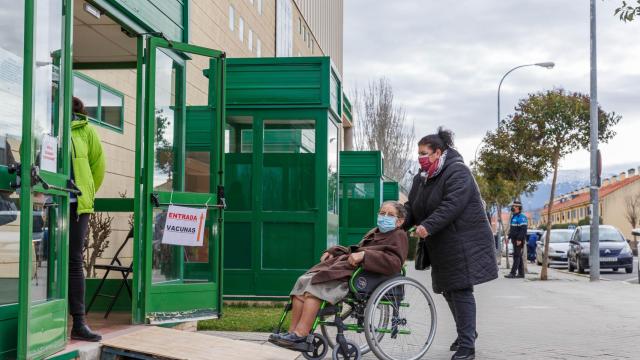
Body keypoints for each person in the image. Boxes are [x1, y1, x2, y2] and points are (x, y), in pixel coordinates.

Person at [404, 127, 497, 360]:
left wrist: (427, 226)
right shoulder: (422, 178)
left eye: (424, 153)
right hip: (441, 245)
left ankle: (468, 346)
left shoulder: (458, 172)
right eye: (419, 154)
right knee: (448, 290)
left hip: (462, 243)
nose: (420, 158)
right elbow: (413, 208)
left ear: (438, 152)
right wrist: (397, 221)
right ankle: (468, 333)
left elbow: (451, 205)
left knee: (461, 290)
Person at [269, 201, 409, 351]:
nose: (384, 217)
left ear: (399, 221)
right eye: (382, 213)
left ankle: (301, 335)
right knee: (302, 283)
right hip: (349, 270)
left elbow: (394, 263)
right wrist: (334, 251)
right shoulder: (375, 232)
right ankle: (292, 334)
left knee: (314, 290)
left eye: (390, 215)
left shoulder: (399, 236)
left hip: (363, 278)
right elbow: (355, 250)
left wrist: (365, 255)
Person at [69, 97, 105, 341]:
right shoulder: (42, 128)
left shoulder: (86, 131)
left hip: (77, 206)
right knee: (44, 263)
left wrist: (86, 194)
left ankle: (79, 323)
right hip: (48, 203)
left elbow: (98, 168)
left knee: (74, 261)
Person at [505, 201, 528, 278]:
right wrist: (508, 237)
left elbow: (523, 230)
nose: (512, 207)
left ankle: (513, 273)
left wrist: (519, 239)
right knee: (519, 256)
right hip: (514, 240)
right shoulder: (514, 217)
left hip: (519, 240)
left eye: (514, 206)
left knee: (516, 256)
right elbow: (512, 230)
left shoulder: (522, 217)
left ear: (518, 207)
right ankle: (521, 274)